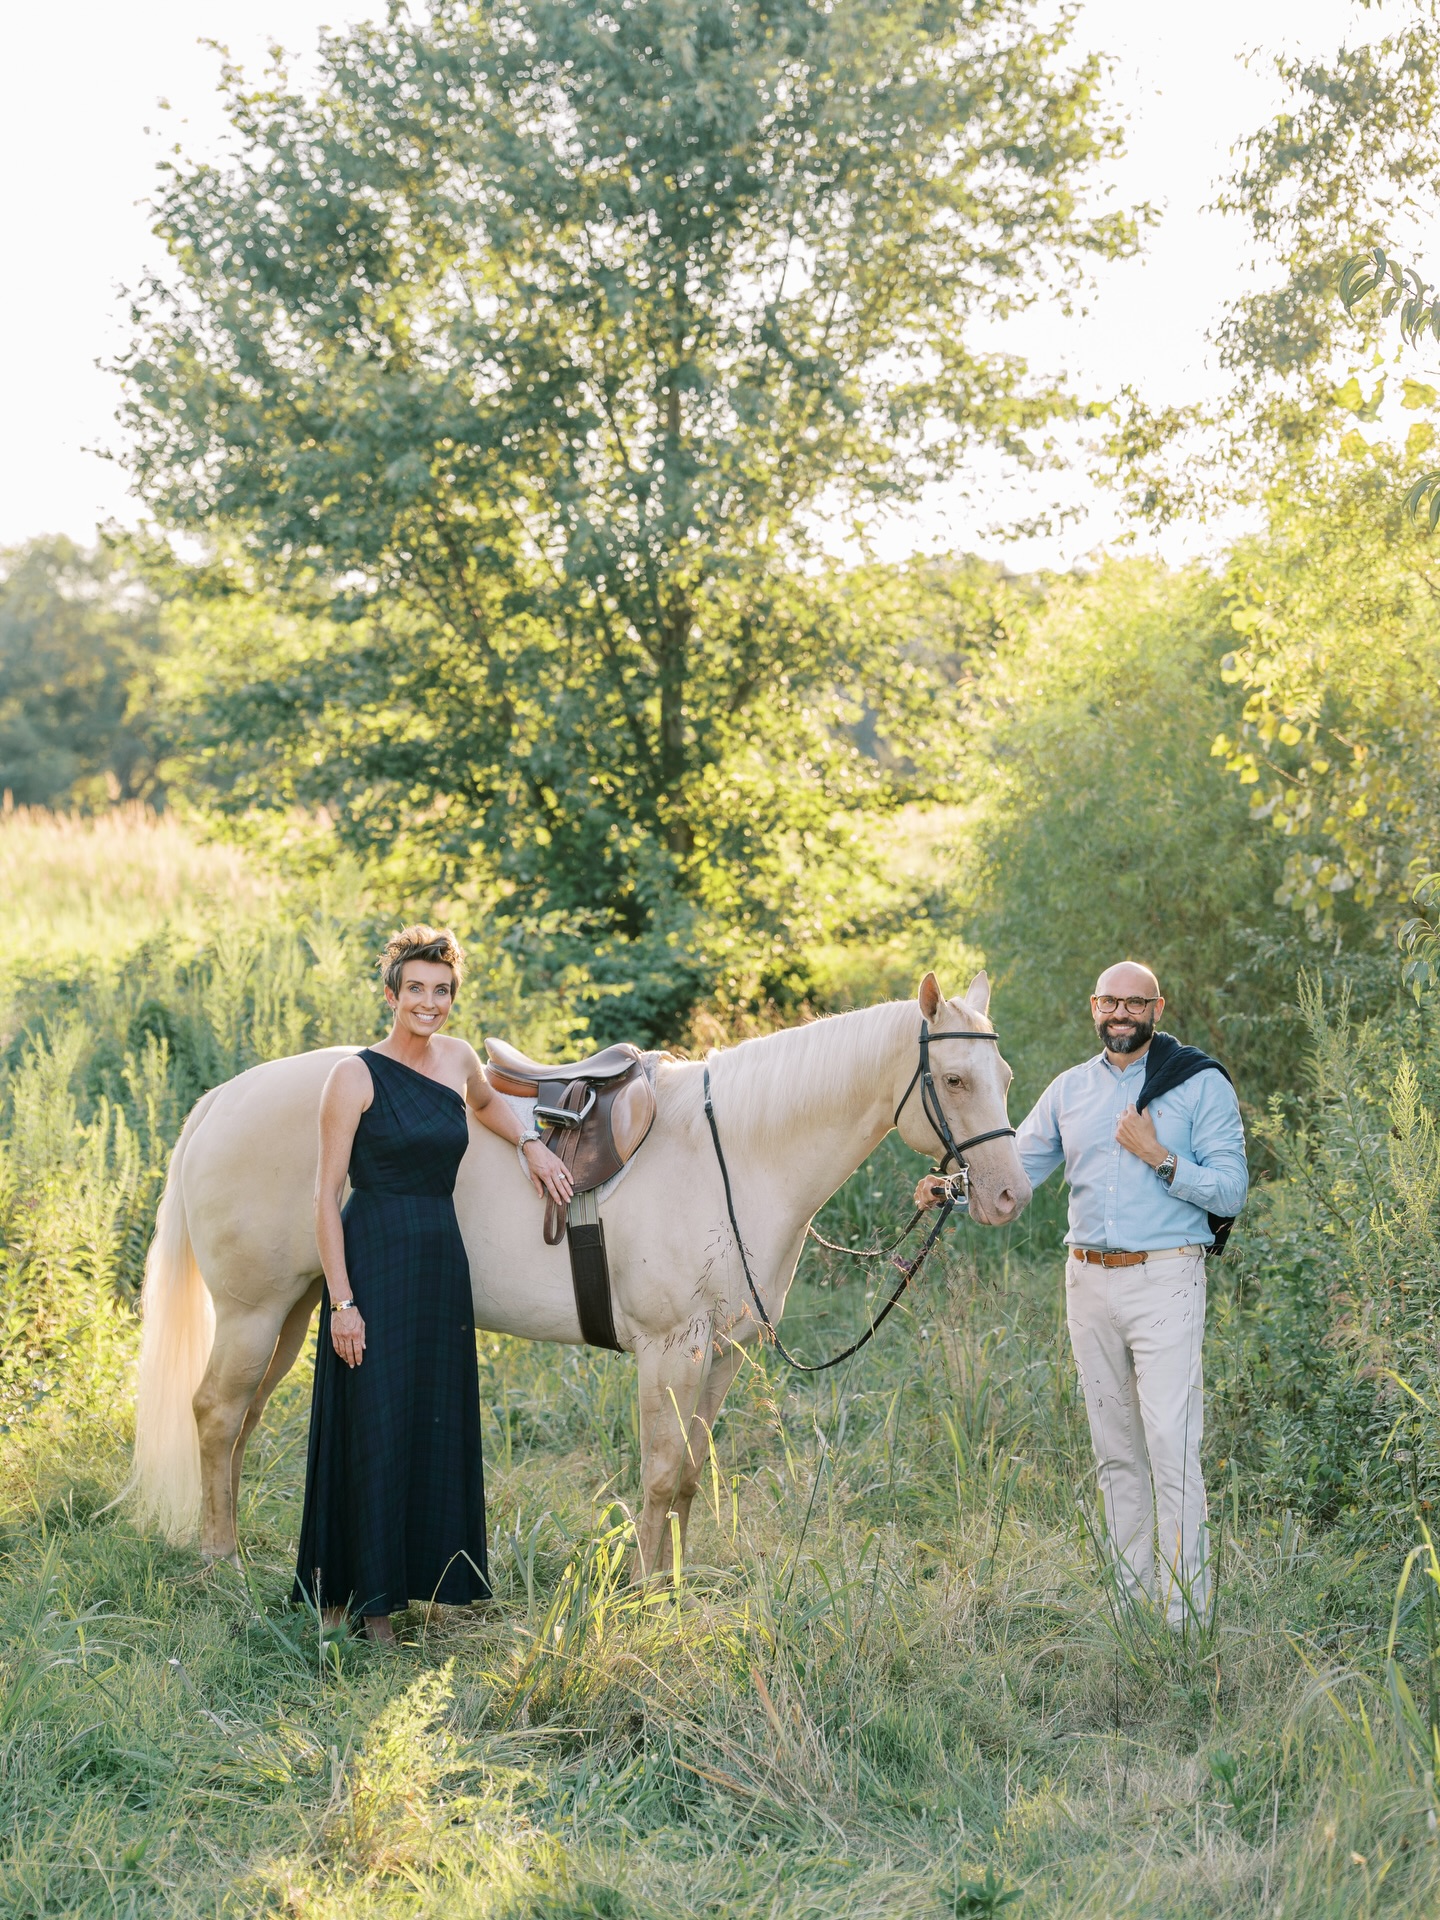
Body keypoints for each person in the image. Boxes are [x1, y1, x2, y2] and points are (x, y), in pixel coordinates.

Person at [918, 961, 1247, 1628]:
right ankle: (1132, 1610)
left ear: (1158, 1007)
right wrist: (947, 1192)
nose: (1120, 1013)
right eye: (1109, 1002)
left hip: (1167, 1278)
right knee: (1116, 1450)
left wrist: (1160, 1156)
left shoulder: (1199, 1084)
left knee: (1171, 1445)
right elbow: (1019, 1175)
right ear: (1093, 1007)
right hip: (1088, 1282)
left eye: (1135, 1003)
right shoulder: (1070, 1091)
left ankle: (1186, 1618)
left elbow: (1232, 1190)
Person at [293, 924, 573, 1643]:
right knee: (374, 1425)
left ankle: (416, 1585)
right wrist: (343, 1302)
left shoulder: (456, 1060)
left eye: (441, 990)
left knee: (427, 1421)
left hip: (439, 1260)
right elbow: (325, 1195)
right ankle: (368, 1611)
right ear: (391, 994)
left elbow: (484, 1105)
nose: (429, 1001)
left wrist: (533, 1144)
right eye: (415, 988)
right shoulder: (353, 1076)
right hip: (375, 1255)